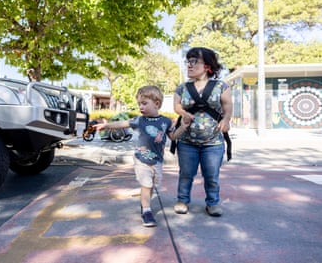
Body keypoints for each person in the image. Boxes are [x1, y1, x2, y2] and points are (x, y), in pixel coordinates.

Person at [94, 85, 190, 227]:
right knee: (146, 184)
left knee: (152, 186)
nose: (141, 107)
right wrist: (107, 126)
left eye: (144, 103)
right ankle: (146, 211)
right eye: (139, 104)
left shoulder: (166, 121)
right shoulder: (140, 120)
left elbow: (173, 136)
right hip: (141, 159)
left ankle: (145, 204)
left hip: (157, 161)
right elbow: (123, 123)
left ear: (156, 104)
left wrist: (183, 127)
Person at [173, 47, 233, 217]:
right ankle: (182, 200)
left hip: (213, 142)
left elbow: (228, 107)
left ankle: (212, 203)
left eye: (194, 61)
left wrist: (226, 120)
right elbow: (176, 106)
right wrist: (183, 113)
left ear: (207, 66)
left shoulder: (221, 86)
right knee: (186, 174)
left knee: (211, 175)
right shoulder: (182, 87)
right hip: (187, 141)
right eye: (188, 61)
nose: (189, 65)